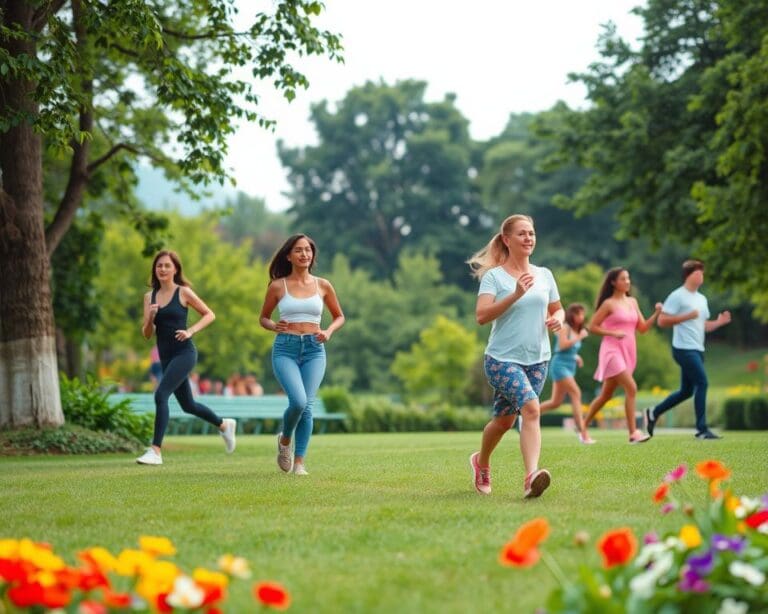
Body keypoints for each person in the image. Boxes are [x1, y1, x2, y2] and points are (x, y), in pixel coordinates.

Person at [467, 214, 564, 498]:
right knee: (531, 409)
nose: (528, 238)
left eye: (531, 233)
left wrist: (558, 318)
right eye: (522, 234)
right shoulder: (494, 277)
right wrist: (515, 294)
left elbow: (558, 308)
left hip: (538, 359)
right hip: (501, 359)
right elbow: (482, 316)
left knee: (504, 421)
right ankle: (531, 477)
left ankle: (480, 462)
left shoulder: (545, 274)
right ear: (507, 240)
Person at [137, 250, 236, 465]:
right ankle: (224, 425)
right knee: (188, 405)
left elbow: (209, 314)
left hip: (185, 353)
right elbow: (146, 334)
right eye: (159, 265)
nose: (162, 269)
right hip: (165, 356)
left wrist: (190, 331)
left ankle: (155, 450)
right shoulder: (149, 297)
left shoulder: (183, 292)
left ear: (175, 269)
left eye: (167, 265)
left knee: (161, 395)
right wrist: (151, 317)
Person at [259, 234, 345, 476]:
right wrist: (273, 325)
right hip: (285, 349)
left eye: (308, 250)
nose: (304, 254)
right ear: (289, 255)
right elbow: (263, 318)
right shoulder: (278, 286)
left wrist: (328, 331)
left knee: (307, 406)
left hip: (314, 350)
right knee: (297, 401)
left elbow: (339, 316)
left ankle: (299, 463)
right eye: (298, 250)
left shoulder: (323, 285)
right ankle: (285, 441)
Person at [644, 259, 731, 439]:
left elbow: (703, 325)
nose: (701, 275)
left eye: (702, 272)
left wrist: (719, 323)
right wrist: (686, 316)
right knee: (702, 382)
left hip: (698, 348)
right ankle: (701, 429)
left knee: (687, 391)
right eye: (698, 272)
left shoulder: (702, 299)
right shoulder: (677, 296)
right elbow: (662, 321)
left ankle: (653, 412)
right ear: (688, 275)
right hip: (683, 348)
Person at [582, 267, 661, 444]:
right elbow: (592, 326)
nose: (627, 282)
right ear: (613, 282)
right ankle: (633, 433)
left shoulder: (632, 302)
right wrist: (611, 333)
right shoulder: (608, 304)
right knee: (631, 388)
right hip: (611, 351)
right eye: (623, 279)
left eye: (628, 278)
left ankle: (582, 426)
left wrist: (656, 314)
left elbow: (642, 329)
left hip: (628, 351)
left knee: (605, 396)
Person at [539, 303, 594, 444]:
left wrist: (576, 357)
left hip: (569, 366)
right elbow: (562, 346)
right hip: (560, 366)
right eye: (578, 314)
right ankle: (582, 433)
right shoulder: (566, 327)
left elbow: (570, 349)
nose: (581, 317)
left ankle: (527, 413)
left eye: (582, 314)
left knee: (555, 403)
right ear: (572, 315)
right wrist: (579, 338)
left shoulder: (577, 330)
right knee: (576, 393)